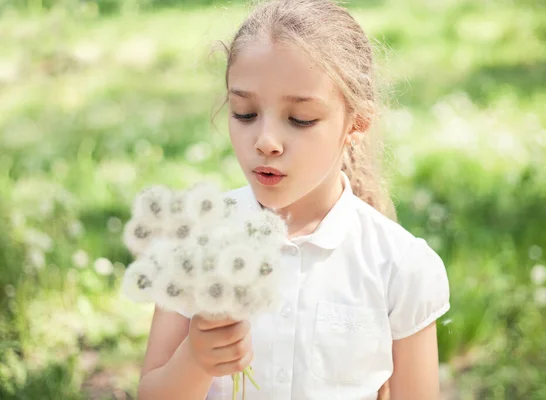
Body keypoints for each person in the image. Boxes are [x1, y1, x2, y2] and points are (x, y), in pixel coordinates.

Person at [137, 0, 450, 399]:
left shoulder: (400, 267)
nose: (265, 142)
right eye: (245, 113)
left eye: (300, 119)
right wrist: (195, 360)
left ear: (357, 123)